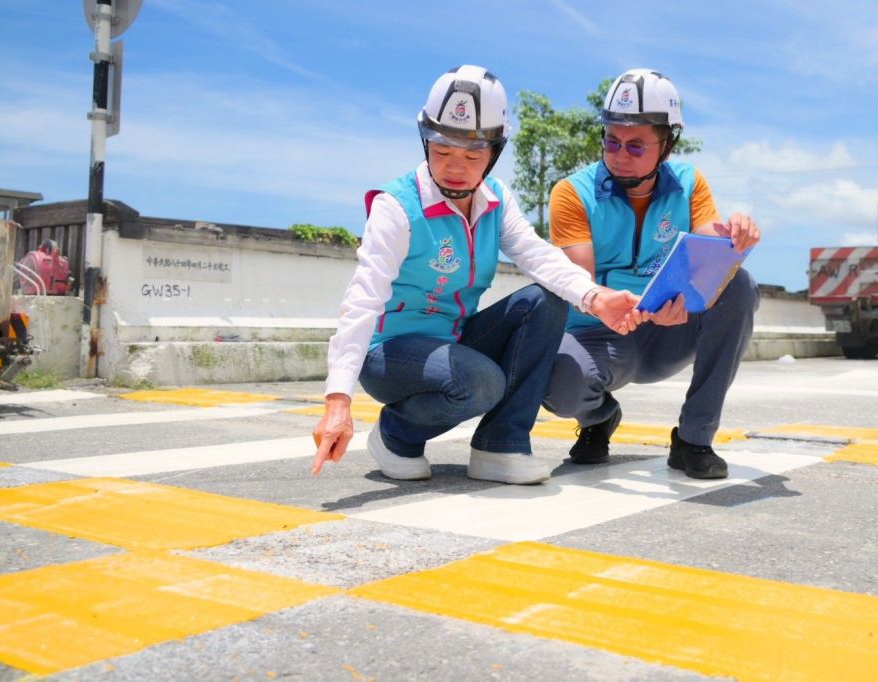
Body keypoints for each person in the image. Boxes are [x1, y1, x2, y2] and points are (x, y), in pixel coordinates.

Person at [311, 65, 644, 485]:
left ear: (494, 152)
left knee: (544, 301)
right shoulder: (396, 207)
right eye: (442, 151)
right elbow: (363, 298)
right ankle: (396, 435)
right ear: (425, 140)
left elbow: (537, 255)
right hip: (390, 353)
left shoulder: (496, 200)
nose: (456, 167)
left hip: (454, 340)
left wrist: (595, 297)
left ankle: (500, 446)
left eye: (472, 156)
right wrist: (338, 400)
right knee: (481, 382)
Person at [542, 68, 761, 479]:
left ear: (667, 144)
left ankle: (694, 439)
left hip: (669, 332)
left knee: (740, 285)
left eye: (636, 145)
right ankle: (599, 418)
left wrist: (736, 235)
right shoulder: (572, 194)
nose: (620, 154)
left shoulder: (690, 184)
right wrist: (639, 307)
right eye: (612, 140)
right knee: (555, 380)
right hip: (601, 335)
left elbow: (710, 256)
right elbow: (580, 286)